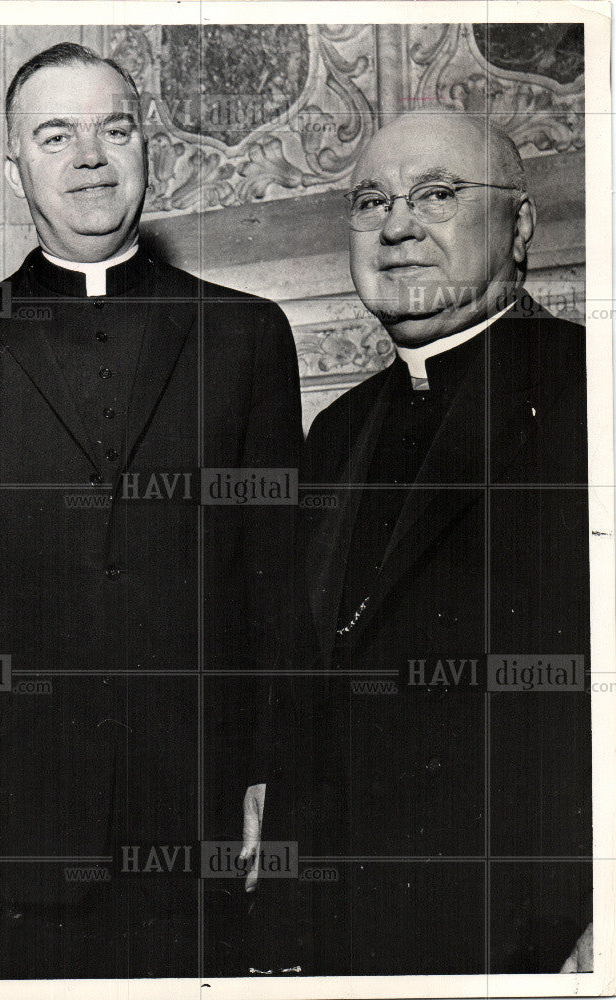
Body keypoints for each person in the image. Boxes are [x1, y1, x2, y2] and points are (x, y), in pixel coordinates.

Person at [0, 42, 302, 979]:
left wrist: (278, 775)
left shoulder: (246, 336)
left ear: (149, 147)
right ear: (15, 163)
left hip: (193, 806)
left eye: (114, 129)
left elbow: (276, 581)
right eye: (55, 136)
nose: (90, 158)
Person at [249, 111, 592, 974]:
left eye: (436, 195)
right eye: (371, 201)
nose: (397, 225)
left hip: (532, 926)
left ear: (518, 227)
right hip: (342, 930)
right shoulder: (334, 430)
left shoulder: (594, 391)